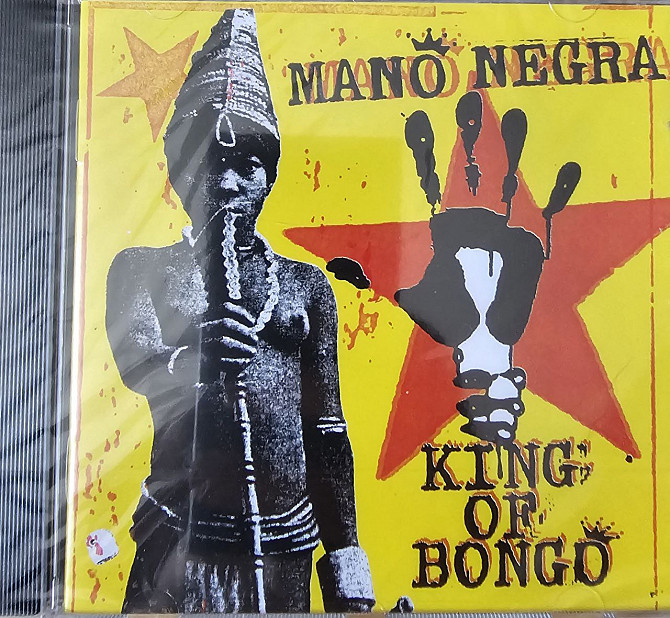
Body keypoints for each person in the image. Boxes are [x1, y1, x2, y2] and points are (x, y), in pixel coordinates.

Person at [106, 8, 374, 613]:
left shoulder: (305, 286)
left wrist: (346, 566)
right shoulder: (141, 270)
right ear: (177, 169)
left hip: (286, 550)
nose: (226, 183)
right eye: (208, 160)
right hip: (177, 540)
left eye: (247, 165)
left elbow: (327, 432)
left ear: (270, 176)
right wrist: (195, 357)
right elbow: (139, 366)